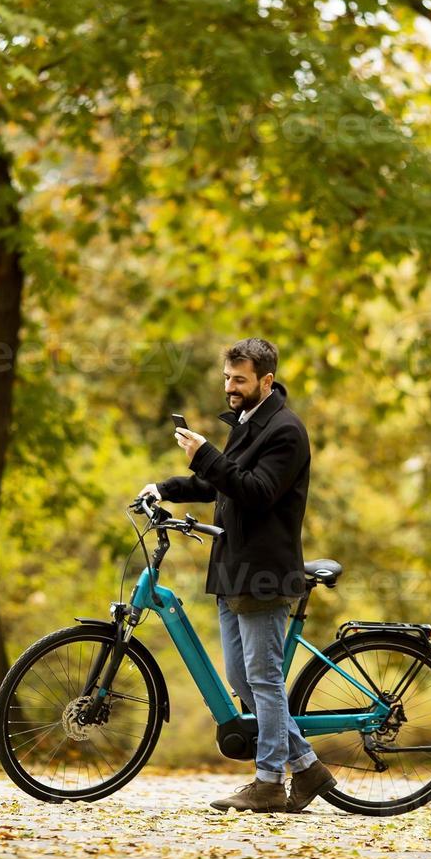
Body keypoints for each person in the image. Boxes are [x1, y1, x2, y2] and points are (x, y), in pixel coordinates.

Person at [137, 337, 337, 813]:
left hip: (263, 572)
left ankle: (269, 781)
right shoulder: (248, 422)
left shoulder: (286, 431)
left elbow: (257, 491)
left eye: (240, 380)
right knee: (244, 681)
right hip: (233, 570)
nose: (231, 387)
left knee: (263, 681)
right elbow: (217, 481)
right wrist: (164, 488)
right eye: (227, 378)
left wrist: (206, 453)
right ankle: (307, 767)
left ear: (266, 380)